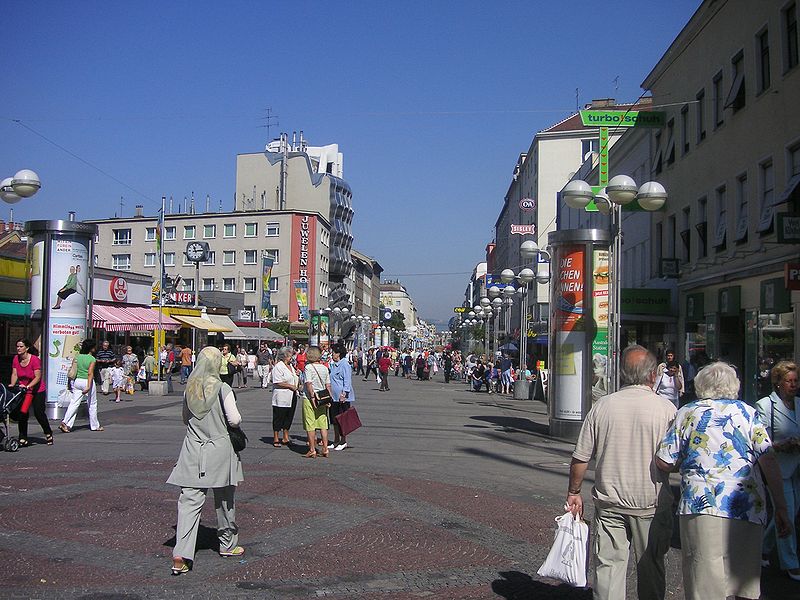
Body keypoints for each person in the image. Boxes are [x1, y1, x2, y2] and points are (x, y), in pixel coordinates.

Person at [656, 361, 791, 600]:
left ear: (701, 385)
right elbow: (768, 459)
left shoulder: (688, 412)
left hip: (701, 504)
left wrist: (687, 460)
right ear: (734, 386)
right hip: (747, 504)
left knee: (704, 579)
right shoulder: (747, 412)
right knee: (743, 580)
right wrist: (781, 506)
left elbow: (664, 460)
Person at [567, 345, 676, 600]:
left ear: (622, 374)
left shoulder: (603, 406)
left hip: (610, 502)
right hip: (650, 503)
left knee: (608, 568)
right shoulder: (667, 410)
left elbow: (581, 456)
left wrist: (574, 492)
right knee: (652, 567)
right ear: (652, 375)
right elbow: (675, 460)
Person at [166, 346, 245, 575]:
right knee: (224, 500)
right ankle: (227, 544)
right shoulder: (222, 388)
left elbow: (184, 419)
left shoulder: (188, 388)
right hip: (220, 449)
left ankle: (181, 554)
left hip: (192, 449)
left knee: (189, 501)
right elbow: (234, 420)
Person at [756, 361, 800, 580]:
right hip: (778, 468)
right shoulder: (765, 405)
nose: (793, 385)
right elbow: (760, 442)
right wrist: (782, 445)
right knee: (788, 514)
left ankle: (762, 548)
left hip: (797, 468)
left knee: (790, 512)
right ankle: (791, 563)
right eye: (788, 381)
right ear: (778, 383)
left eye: (796, 381)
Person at [9, 338, 52, 446]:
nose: (18, 348)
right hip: (25, 390)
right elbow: (14, 374)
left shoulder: (34, 360)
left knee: (39, 413)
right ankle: (23, 437)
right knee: (23, 413)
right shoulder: (16, 359)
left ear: (27, 348)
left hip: (37, 390)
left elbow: (37, 377)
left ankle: (48, 432)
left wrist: (28, 386)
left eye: (21, 346)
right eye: (17, 346)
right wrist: (12, 384)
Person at [60, 339, 103, 433]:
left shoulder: (77, 357)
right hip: (87, 381)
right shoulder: (92, 359)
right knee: (92, 404)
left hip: (77, 381)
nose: (95, 348)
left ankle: (66, 422)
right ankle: (95, 425)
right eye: (94, 347)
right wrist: (88, 386)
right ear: (91, 348)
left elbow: (73, 369)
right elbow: (90, 373)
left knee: (74, 403)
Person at [302, 346, 332, 458]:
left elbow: (309, 384)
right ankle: (325, 448)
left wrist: (312, 397)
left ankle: (312, 449)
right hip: (323, 398)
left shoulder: (308, 367)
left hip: (310, 398)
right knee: (323, 424)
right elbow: (328, 385)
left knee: (311, 424)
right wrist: (329, 398)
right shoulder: (324, 368)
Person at [271, 346, 298, 447]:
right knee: (279, 416)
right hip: (281, 396)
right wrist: (290, 386)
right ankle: (276, 437)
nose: (291, 357)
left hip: (292, 395)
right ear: (284, 356)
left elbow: (293, 377)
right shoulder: (278, 366)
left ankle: (286, 436)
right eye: (289, 355)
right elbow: (277, 381)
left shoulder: (291, 366)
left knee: (289, 416)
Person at [329, 345, 355, 451]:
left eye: (334, 353)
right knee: (334, 418)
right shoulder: (333, 365)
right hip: (333, 396)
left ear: (338, 354)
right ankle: (336, 440)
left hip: (342, 397)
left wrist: (344, 393)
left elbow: (347, 380)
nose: (332, 354)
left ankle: (343, 440)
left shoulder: (344, 364)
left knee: (343, 419)